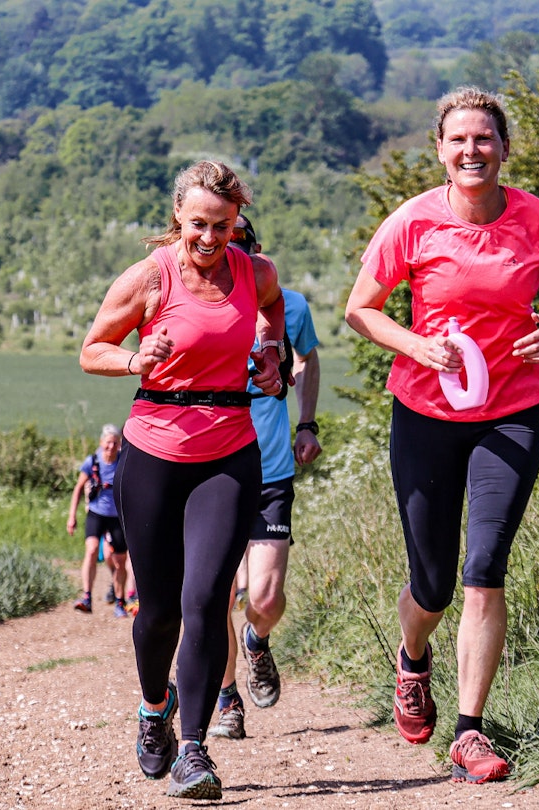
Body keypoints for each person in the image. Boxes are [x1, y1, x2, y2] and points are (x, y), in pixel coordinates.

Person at [343, 87, 539, 785]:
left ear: (504, 148)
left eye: (484, 139)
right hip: (426, 412)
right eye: (458, 140)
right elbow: (361, 310)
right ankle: (412, 659)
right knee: (432, 586)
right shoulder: (412, 223)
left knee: (485, 569)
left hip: (512, 410)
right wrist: (416, 346)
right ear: (440, 149)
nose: (472, 151)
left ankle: (469, 732)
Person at [80, 160, 285, 801]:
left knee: (206, 603)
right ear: (179, 218)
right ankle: (152, 707)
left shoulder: (257, 273)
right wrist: (136, 358)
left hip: (229, 452)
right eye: (198, 223)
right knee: (160, 610)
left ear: (237, 222)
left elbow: (273, 314)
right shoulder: (150, 276)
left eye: (222, 225)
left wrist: (270, 355)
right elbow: (91, 349)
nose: (209, 236)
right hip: (154, 452)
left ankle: (194, 749)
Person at [208, 215, 323, 741]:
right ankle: (228, 697)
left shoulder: (290, 305)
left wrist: (306, 422)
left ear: (255, 249)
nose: (229, 251)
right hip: (212, 469)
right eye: (221, 243)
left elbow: (309, 361)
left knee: (267, 597)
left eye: (239, 242)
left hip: (271, 469)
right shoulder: (201, 305)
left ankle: (257, 641)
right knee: (216, 597)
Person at [65, 424, 130, 618]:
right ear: (101, 443)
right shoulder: (92, 462)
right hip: (96, 514)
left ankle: (120, 601)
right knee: (92, 549)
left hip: (117, 517)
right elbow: (78, 489)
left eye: (115, 443)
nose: (111, 446)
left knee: (120, 561)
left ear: (119, 445)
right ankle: (87, 597)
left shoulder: (122, 463)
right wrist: (72, 516)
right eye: (108, 442)